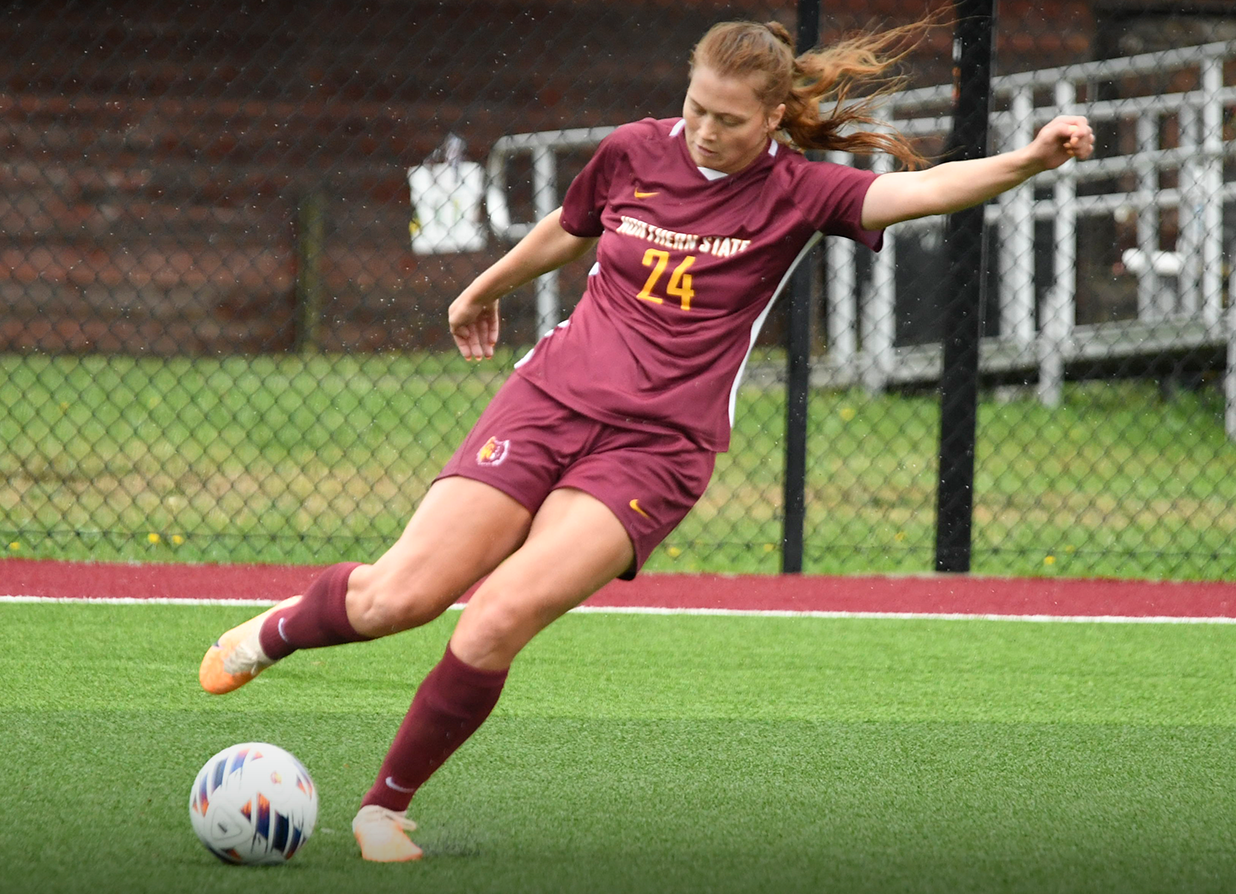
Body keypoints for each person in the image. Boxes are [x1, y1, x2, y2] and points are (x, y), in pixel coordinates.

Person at [199, 19, 1094, 862]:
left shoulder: (800, 190)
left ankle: (384, 807)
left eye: (730, 119)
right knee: (400, 597)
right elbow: (572, 227)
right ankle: (278, 631)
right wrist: (484, 286)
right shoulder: (634, 148)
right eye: (697, 107)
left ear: (774, 118)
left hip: (656, 451)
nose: (705, 130)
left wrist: (1028, 159)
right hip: (547, 401)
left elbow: (923, 188)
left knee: (499, 613)